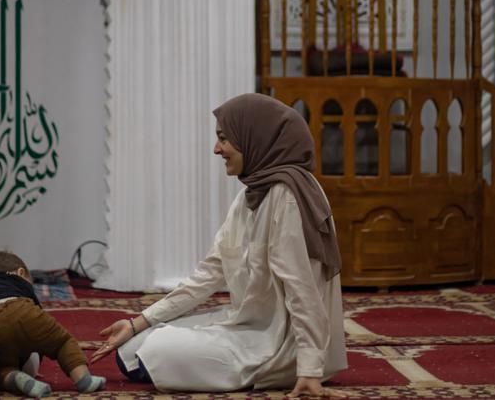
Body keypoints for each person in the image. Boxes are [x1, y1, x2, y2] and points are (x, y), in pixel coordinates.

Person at [91, 93, 348, 397]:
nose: (217, 149)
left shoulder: (288, 196)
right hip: (252, 326)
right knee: (131, 349)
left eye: (224, 139)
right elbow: (209, 273)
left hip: (282, 344)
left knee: (156, 352)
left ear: (254, 136)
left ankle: (291, 370)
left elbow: (302, 289)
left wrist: (309, 369)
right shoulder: (252, 193)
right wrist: (137, 323)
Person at [0, 250, 106, 397]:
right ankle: (83, 379)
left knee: (1, 367)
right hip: (22, 309)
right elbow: (39, 330)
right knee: (62, 343)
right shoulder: (17, 283)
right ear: (21, 273)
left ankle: (15, 377)